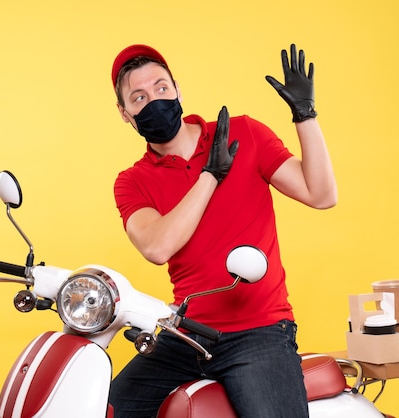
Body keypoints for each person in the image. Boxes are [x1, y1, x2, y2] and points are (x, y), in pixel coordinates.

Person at [108, 43, 337, 418]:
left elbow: (322, 194)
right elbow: (156, 246)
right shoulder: (132, 181)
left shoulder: (243, 133)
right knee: (110, 408)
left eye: (161, 88)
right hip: (185, 336)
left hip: (258, 332)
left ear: (178, 89)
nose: (154, 101)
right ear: (125, 113)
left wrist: (305, 116)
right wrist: (210, 176)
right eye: (139, 97)